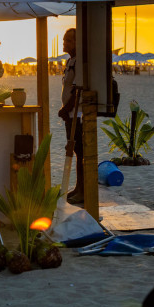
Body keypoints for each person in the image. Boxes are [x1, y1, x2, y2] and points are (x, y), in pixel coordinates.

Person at [57, 28, 84, 205]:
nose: (65, 43)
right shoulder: (70, 61)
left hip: (77, 113)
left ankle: (83, 189)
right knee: (75, 150)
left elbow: (77, 90)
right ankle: (78, 187)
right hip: (70, 113)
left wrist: (66, 109)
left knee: (80, 151)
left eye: (69, 40)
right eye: (64, 40)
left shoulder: (80, 62)